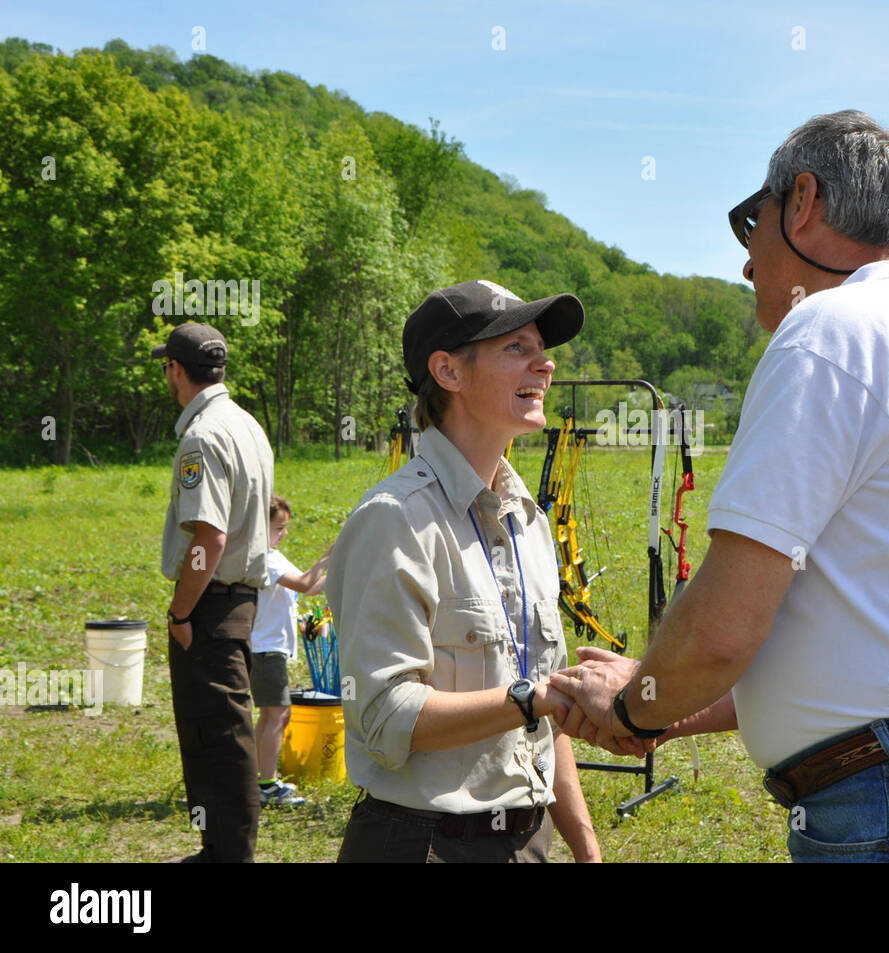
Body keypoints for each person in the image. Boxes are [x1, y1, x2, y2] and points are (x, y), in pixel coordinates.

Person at [550, 110, 889, 862]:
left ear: (803, 202)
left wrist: (635, 713)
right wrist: (662, 697)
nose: (746, 262)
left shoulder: (829, 326)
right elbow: (852, 646)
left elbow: (725, 626)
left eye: (749, 223)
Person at [327, 280, 601, 863]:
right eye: (516, 349)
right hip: (424, 844)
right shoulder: (395, 521)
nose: (545, 364)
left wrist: (584, 842)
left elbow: (543, 710)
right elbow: (383, 714)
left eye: (541, 349)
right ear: (448, 372)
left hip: (528, 842)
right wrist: (536, 697)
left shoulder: (527, 522)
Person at [155, 322, 275, 863]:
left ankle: (227, 854)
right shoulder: (245, 424)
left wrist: (181, 611)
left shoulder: (201, 437)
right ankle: (224, 849)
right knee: (227, 729)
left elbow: (209, 536)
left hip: (211, 603)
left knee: (217, 737)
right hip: (241, 600)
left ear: (176, 370)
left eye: (166, 368)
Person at [250, 494, 331, 807]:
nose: (284, 533)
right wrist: (328, 556)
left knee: (272, 715)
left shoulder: (275, 556)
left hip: (274, 649)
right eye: (279, 527)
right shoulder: (264, 559)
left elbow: (309, 586)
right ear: (261, 528)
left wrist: (342, 570)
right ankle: (267, 786)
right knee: (278, 714)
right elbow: (302, 583)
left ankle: (261, 778)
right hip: (265, 649)